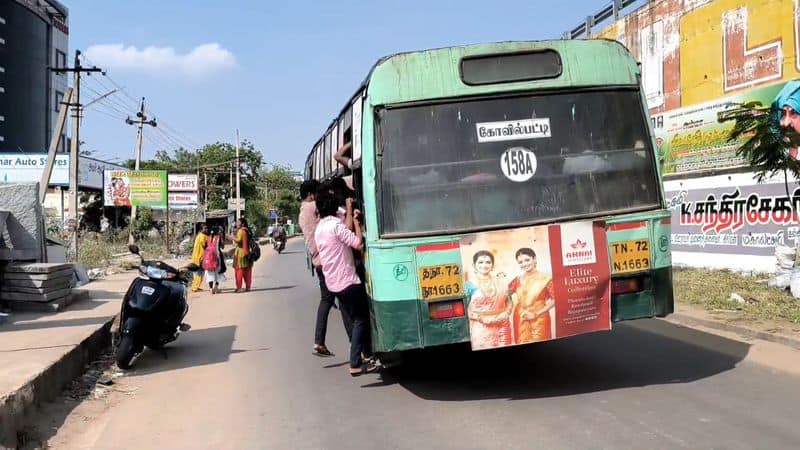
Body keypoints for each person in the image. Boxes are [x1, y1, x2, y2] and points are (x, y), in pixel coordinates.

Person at [314, 189, 379, 376]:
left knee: (353, 318)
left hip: (333, 282)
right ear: (335, 207)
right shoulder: (337, 226)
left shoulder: (320, 228)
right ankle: (355, 362)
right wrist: (357, 223)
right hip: (348, 280)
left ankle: (366, 355)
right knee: (361, 319)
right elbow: (357, 243)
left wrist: (348, 211)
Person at [299, 180, 353, 357]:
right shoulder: (313, 207)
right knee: (344, 302)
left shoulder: (302, 212)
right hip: (329, 260)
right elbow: (336, 210)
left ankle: (319, 341)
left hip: (319, 262)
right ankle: (357, 347)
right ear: (310, 194)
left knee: (327, 300)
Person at [465, 250, 513, 349]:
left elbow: (509, 301)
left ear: (492, 265)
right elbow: (465, 310)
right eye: (480, 262)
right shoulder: (469, 285)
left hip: (502, 326)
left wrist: (507, 313)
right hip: (481, 327)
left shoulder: (502, 282)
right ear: (474, 265)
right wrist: (481, 318)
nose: (484, 265)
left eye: (488, 262)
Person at [508, 248, 555, 344]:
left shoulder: (546, 278)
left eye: (527, 260)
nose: (524, 264)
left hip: (539, 317)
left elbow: (556, 299)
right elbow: (504, 295)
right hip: (521, 317)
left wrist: (536, 314)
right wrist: (509, 308)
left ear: (534, 259)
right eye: (520, 262)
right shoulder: (517, 280)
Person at [231, 218, 253, 293]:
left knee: (239, 271)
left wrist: (231, 237)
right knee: (247, 271)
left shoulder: (241, 231)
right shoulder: (247, 230)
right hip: (247, 252)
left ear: (242, 224)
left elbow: (238, 240)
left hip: (240, 253)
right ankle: (248, 287)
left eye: (238, 222)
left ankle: (239, 287)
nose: (236, 223)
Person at [202, 226, 226, 294]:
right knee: (218, 272)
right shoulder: (218, 237)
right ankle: (216, 287)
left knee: (210, 272)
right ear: (217, 231)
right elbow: (222, 247)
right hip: (217, 257)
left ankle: (211, 288)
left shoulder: (207, 238)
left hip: (208, 258)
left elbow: (204, 246)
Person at [191, 223, 210, 292]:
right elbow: (204, 245)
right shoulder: (202, 236)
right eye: (205, 228)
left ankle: (196, 286)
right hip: (199, 257)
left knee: (199, 273)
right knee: (199, 273)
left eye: (207, 228)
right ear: (201, 229)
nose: (206, 229)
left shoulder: (200, 235)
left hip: (198, 257)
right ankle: (195, 287)